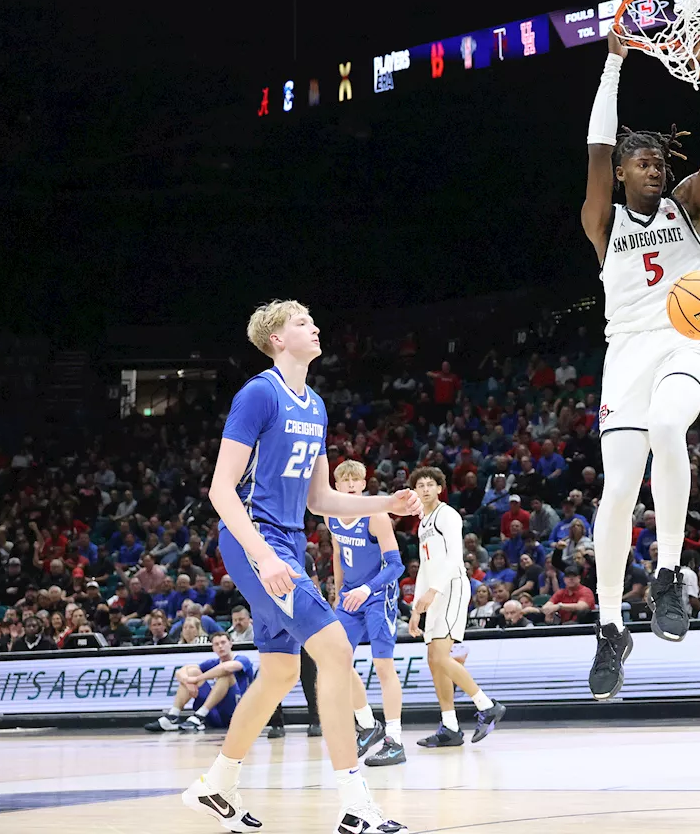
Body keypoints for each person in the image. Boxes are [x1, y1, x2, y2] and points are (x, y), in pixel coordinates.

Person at [181, 300, 418, 834]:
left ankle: (216, 785)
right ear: (276, 339)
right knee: (334, 650)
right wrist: (264, 558)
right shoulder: (258, 394)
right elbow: (221, 489)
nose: (314, 326)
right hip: (256, 543)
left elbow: (321, 500)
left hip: (287, 543)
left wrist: (386, 504)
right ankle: (356, 805)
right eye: (301, 322)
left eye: (313, 319)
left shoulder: (315, 404)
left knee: (283, 671)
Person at [581, 29, 700, 701]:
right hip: (625, 355)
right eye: (643, 163)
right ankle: (608, 628)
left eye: (660, 162)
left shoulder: (690, 204)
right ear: (624, 174)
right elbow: (597, 146)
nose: (654, 169)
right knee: (618, 493)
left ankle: (666, 576)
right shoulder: (602, 220)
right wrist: (613, 63)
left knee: (667, 430)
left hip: (685, 341)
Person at [407, 466, 506, 748]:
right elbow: (425, 568)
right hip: (434, 591)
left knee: (440, 657)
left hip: (451, 587)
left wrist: (434, 592)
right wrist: (417, 608)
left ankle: (486, 705)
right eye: (420, 485)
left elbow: (453, 559)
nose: (425, 489)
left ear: (440, 488)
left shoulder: (446, 515)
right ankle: (450, 726)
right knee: (433, 659)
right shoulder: (423, 523)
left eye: (430, 484)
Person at [327, 460, 407, 767]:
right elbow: (337, 554)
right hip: (350, 596)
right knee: (336, 659)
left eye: (355, 479)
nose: (349, 484)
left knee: (383, 665)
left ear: (364, 483)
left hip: (378, 596)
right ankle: (368, 724)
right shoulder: (331, 514)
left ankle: (395, 741)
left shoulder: (375, 515)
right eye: (344, 479)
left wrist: (366, 589)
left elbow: (396, 565)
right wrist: (338, 591)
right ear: (336, 484)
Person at [145, 632, 255, 733]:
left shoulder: (242, 659)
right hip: (215, 712)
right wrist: (188, 681)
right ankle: (173, 715)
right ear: (213, 648)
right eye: (216, 644)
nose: (220, 646)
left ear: (231, 643)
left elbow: (226, 668)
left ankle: (199, 716)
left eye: (223, 642)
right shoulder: (213, 662)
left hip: (236, 712)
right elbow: (181, 671)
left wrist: (198, 679)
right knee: (192, 672)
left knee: (226, 675)